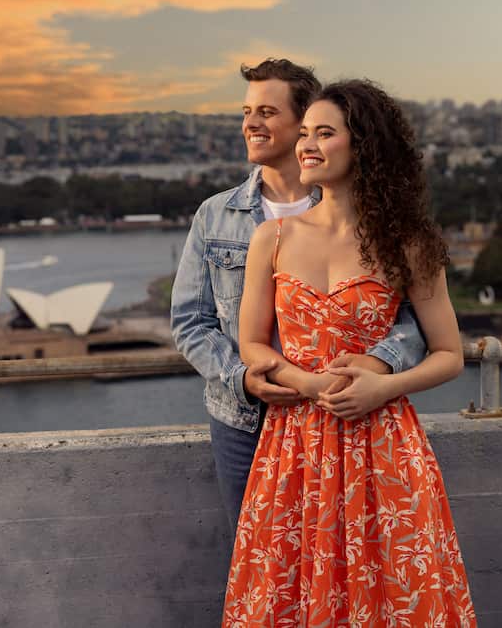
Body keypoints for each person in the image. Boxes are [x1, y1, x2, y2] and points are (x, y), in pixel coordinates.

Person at [222, 79, 475, 627]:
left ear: (363, 146)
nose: (306, 146)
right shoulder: (274, 237)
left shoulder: (407, 243)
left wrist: (384, 387)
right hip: (294, 446)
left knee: (394, 593)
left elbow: (450, 354)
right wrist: (308, 384)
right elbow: (251, 344)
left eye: (325, 134)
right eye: (304, 133)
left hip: (384, 443)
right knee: (287, 590)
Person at [170, 59, 428, 536]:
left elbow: (411, 319)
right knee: (263, 563)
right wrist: (245, 376)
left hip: (346, 415)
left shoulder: (359, 213)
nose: (250, 124)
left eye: (267, 112)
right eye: (246, 112)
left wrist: (376, 367)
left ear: (307, 120)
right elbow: (190, 322)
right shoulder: (215, 215)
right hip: (244, 422)